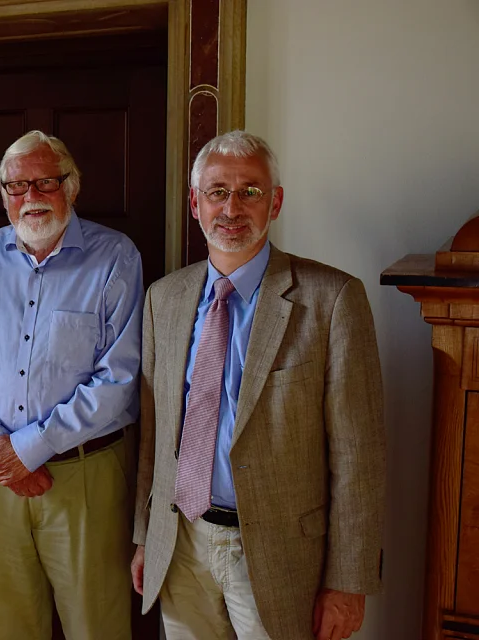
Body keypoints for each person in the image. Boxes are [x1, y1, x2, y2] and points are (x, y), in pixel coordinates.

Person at [131, 130, 386, 640]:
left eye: (250, 191)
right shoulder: (164, 298)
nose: (232, 207)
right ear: (195, 203)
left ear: (276, 202)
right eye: (217, 191)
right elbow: (155, 435)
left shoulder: (332, 299)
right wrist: (145, 536)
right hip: (180, 545)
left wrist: (348, 581)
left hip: (280, 556)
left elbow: (358, 455)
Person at [0, 130, 143, 640]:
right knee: (10, 626)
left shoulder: (115, 257)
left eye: (45, 182)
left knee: (96, 627)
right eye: (16, 185)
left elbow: (118, 377)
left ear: (71, 186)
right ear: (3, 193)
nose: (30, 196)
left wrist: (30, 448)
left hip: (86, 474)